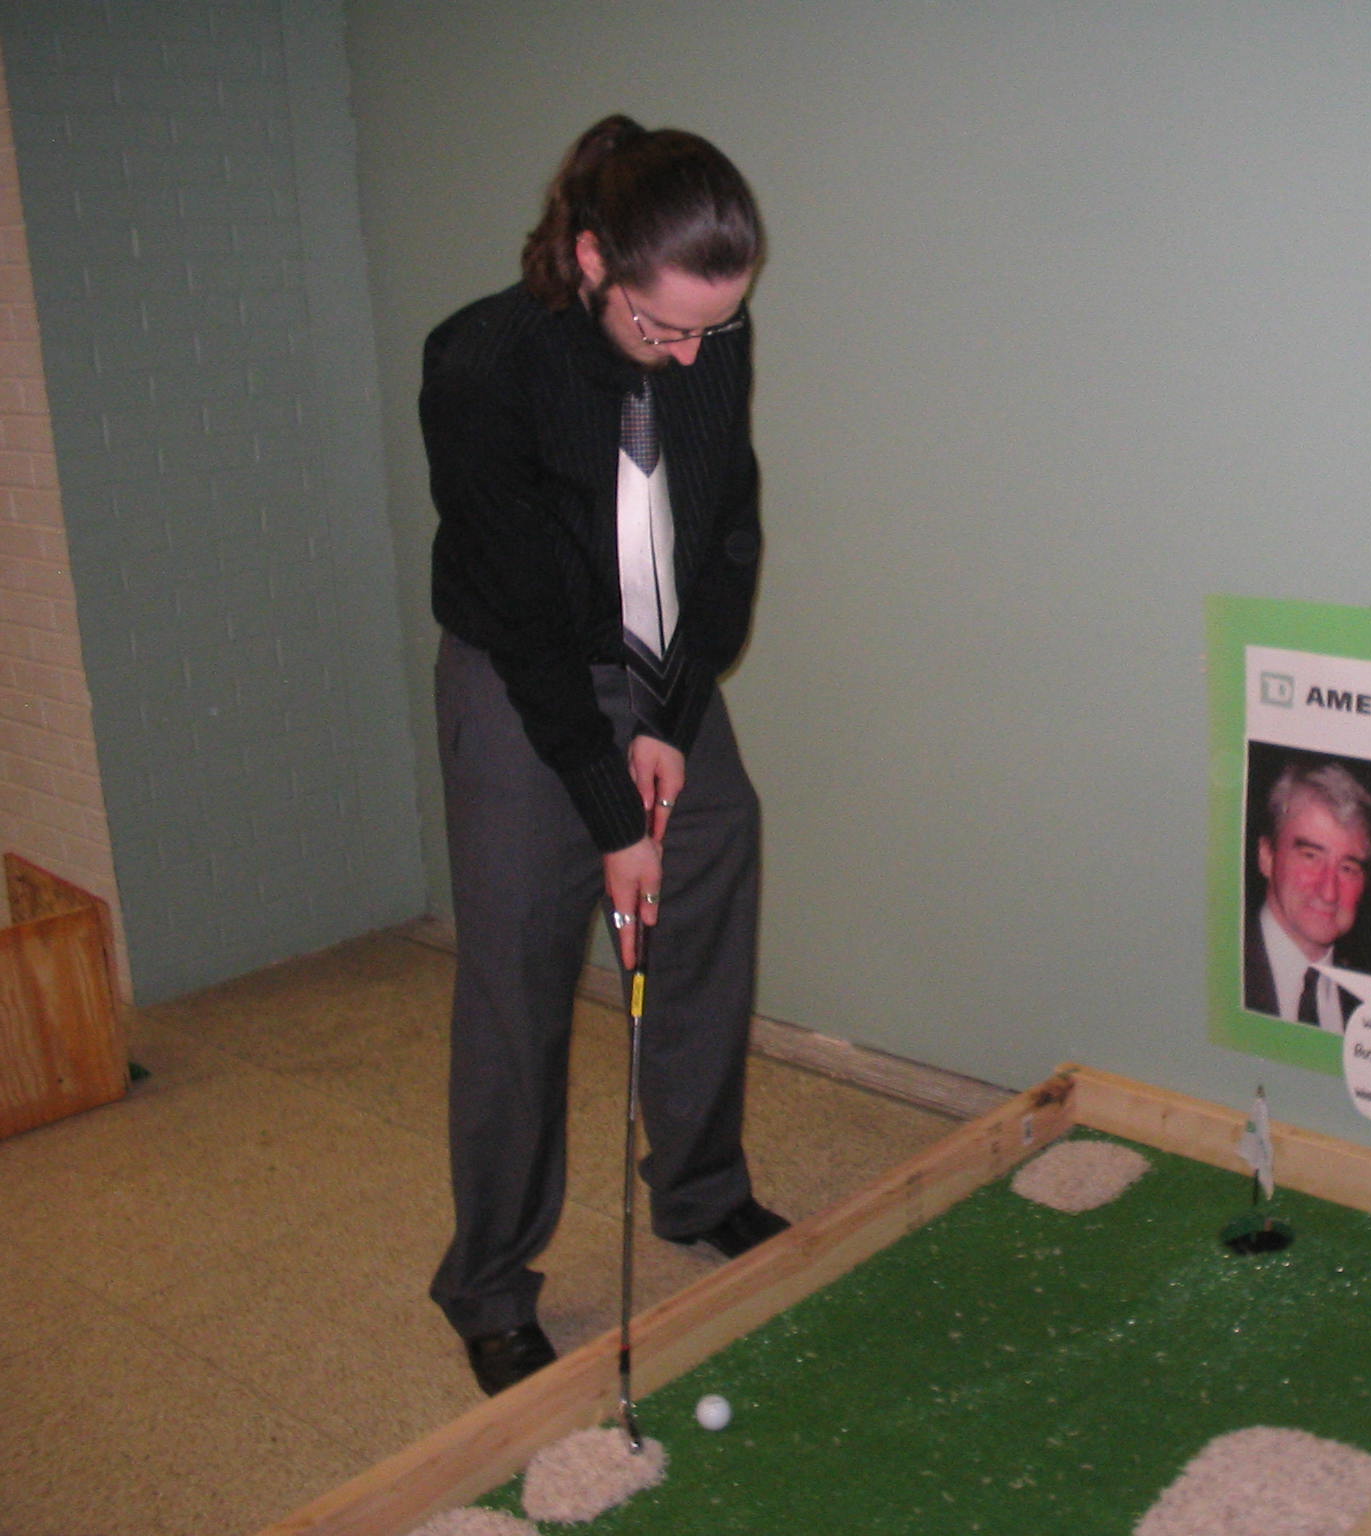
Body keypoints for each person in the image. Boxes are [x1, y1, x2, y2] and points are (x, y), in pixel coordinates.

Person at [420, 114, 787, 1396]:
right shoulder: (483, 364)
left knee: (711, 873)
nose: (691, 354)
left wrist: (672, 722)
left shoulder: (707, 336)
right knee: (519, 970)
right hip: (523, 683)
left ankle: (700, 1190)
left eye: (714, 330)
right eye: (664, 327)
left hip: (659, 668)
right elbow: (526, 620)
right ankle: (488, 1283)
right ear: (591, 260)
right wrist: (611, 814)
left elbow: (726, 534)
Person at [1243, 758, 1371, 1032]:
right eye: (1311, 856)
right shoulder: (1216, 965)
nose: (1329, 891)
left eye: (1347, 869)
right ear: (1266, 856)